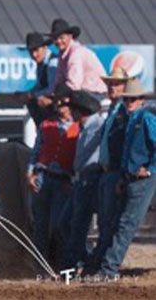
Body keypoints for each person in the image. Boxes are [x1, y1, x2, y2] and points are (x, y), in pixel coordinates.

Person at [98, 78, 156, 279]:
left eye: (133, 99)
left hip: (144, 179)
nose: (129, 102)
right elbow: (126, 153)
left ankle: (108, 269)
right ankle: (108, 267)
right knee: (122, 223)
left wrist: (149, 169)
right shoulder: (133, 119)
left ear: (141, 99)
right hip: (132, 178)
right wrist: (124, 175)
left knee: (126, 223)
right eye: (127, 99)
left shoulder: (147, 118)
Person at [27, 95, 79, 271]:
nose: (59, 106)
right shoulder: (46, 124)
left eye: (63, 103)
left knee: (58, 225)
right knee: (40, 225)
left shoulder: (79, 127)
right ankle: (41, 265)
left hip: (64, 180)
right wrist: (30, 172)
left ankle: (60, 263)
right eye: (58, 102)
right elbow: (36, 150)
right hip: (43, 176)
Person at [91, 67, 132, 270]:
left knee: (110, 221)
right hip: (106, 171)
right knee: (105, 221)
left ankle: (105, 265)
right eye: (110, 84)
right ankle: (101, 262)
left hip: (116, 171)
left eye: (116, 84)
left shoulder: (125, 111)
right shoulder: (113, 110)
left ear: (125, 86)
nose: (112, 87)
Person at [61, 90, 105, 274]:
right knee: (69, 223)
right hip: (83, 180)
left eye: (73, 109)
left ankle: (75, 263)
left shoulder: (96, 126)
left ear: (81, 111)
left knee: (76, 224)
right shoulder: (89, 126)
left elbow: (93, 156)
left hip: (89, 179)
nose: (71, 112)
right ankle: (83, 260)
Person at [44, 19, 107, 96]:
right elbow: (58, 81)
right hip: (84, 92)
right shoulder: (62, 55)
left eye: (61, 37)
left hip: (96, 93)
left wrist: (53, 96)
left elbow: (74, 85)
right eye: (55, 39)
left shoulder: (76, 53)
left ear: (70, 36)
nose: (58, 41)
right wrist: (47, 95)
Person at [14, 32, 58, 127]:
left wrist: (31, 95)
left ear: (45, 48)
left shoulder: (53, 63)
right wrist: (27, 94)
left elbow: (52, 89)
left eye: (36, 50)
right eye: (31, 51)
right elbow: (40, 85)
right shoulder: (41, 64)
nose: (34, 54)